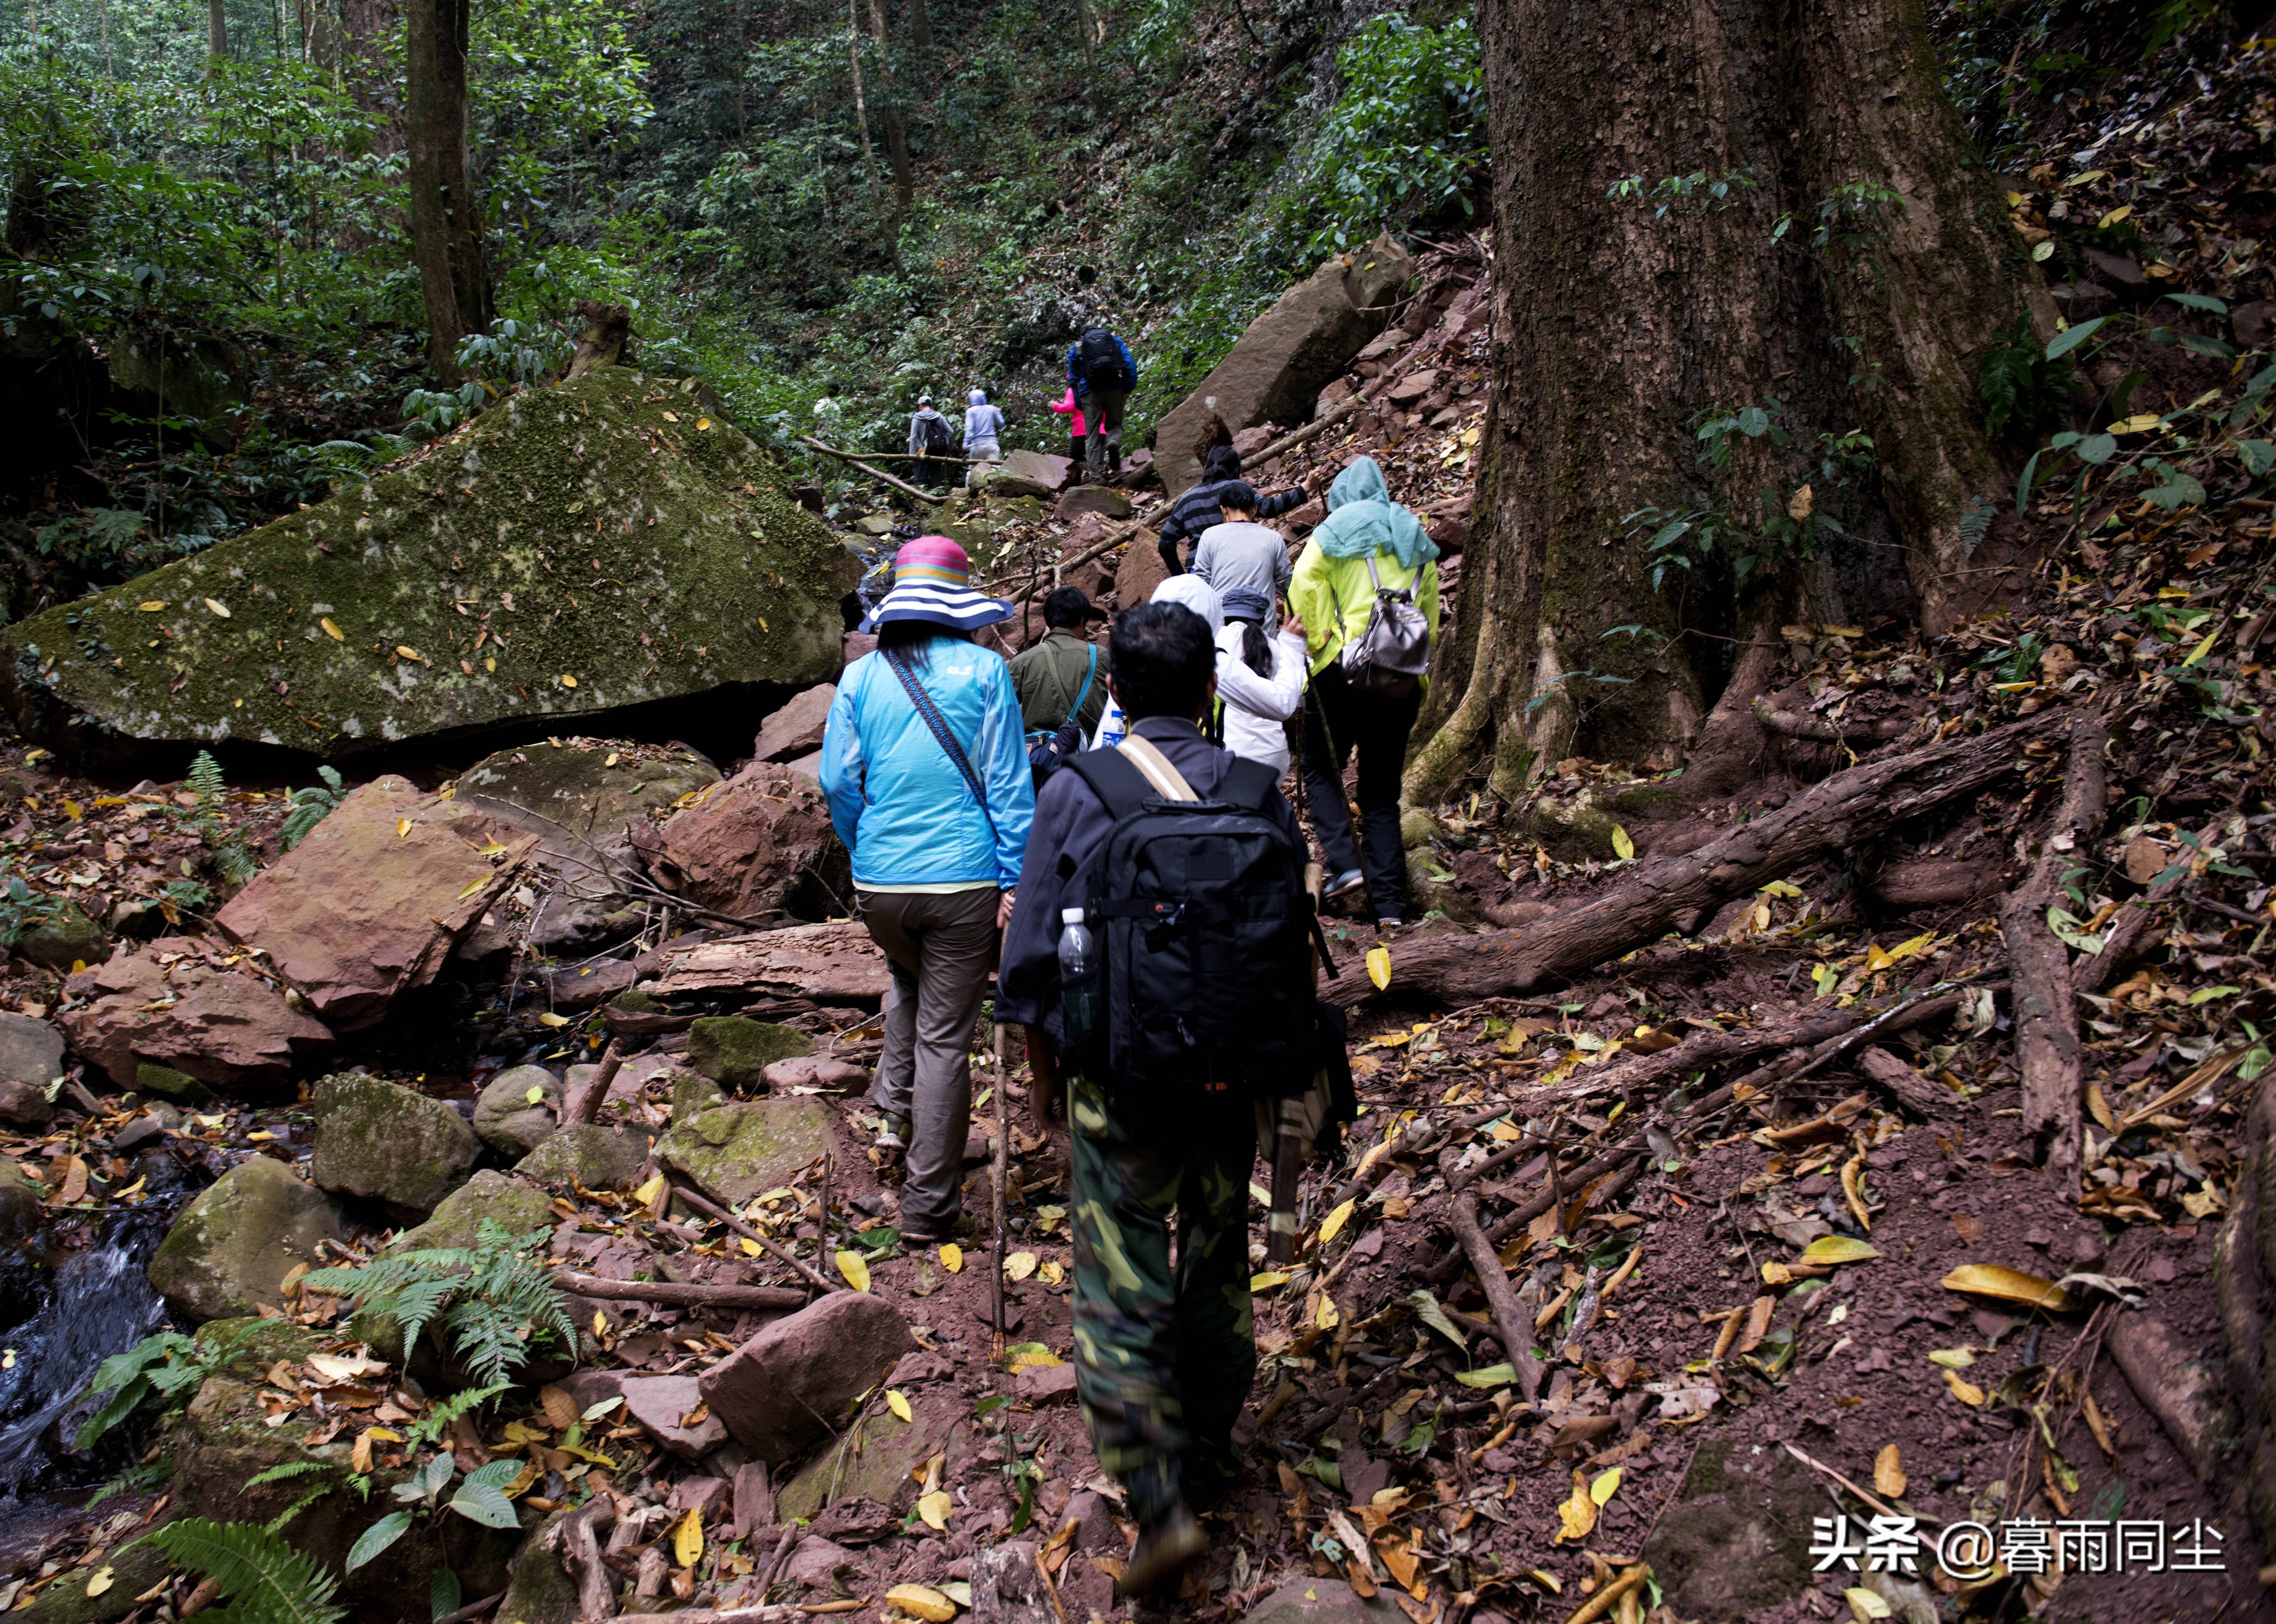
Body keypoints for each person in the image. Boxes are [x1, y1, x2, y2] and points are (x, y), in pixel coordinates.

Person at [999, 600, 1309, 1594]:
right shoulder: (1257, 790)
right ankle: (1209, 1451)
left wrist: (1044, 1085)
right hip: (1233, 1077)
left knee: (1119, 1278)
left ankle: (1159, 1494)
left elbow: (1031, 957)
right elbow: (1285, 947)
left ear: (1117, 694)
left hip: (1120, 1081)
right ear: (1210, 689)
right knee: (1217, 1257)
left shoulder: (1077, 788)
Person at [819, 536, 1035, 1244]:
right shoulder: (985, 669)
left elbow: (836, 780)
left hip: (880, 884)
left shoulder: (859, 676)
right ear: (956, 604)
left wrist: (863, 847)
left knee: (908, 980)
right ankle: (928, 1206)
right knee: (945, 1038)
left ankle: (892, 1116)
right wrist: (1015, 877)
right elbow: (1008, 784)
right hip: (964, 881)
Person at [1288, 456, 1440, 929]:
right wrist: (1417, 677)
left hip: (1343, 671)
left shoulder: (1333, 530)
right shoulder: (1412, 531)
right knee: (1380, 795)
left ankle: (1347, 865)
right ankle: (1391, 908)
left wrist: (1320, 643)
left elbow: (1302, 587)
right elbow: (1429, 611)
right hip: (1400, 679)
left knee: (1319, 768)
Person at [1088, 574, 1222, 750]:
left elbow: (1105, 738)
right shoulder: (1216, 664)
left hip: (1130, 759)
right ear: (1211, 686)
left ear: (1114, 688)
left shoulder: (1133, 659)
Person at [1157, 446, 1312, 576]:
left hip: (1198, 570)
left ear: (1206, 468)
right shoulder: (1235, 490)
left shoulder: (1187, 500)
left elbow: (1165, 542)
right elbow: (1269, 508)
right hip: (1234, 563)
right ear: (1236, 469)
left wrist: (1180, 576)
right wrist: (1305, 488)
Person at [1008, 586, 1111, 778]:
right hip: (1092, 767)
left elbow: (1001, 717)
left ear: (1048, 620)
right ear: (1082, 620)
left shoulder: (1022, 662)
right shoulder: (1104, 658)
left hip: (1038, 767)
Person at [1212, 585, 1307, 775]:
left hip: (1230, 752)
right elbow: (1300, 694)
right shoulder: (1276, 647)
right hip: (1274, 756)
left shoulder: (1214, 642)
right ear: (1263, 618)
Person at [1190, 481, 1295, 623]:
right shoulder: (1274, 538)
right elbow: (1286, 584)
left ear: (1224, 510)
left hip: (1222, 626)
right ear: (1254, 510)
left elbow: (1201, 583)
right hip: (1262, 627)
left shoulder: (1210, 536)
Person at [1065, 325, 1136, 483]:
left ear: (1083, 335)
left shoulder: (1077, 347)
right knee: (1115, 425)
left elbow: (1073, 378)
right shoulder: (1115, 341)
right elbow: (1129, 365)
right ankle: (1113, 442)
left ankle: (1097, 478)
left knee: (1092, 435)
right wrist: (1127, 390)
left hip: (1089, 393)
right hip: (1115, 388)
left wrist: (1078, 401)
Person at [908, 395, 955, 491]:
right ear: (932, 406)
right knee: (936, 480)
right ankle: (937, 497)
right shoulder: (939, 416)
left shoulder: (917, 418)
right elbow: (951, 432)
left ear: (921, 406)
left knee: (921, 481)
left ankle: (921, 498)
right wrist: (948, 449)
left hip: (921, 453)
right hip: (937, 452)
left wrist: (912, 455)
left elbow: (914, 437)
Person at [963, 389, 1005, 489]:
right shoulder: (992, 409)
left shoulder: (971, 411)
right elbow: (1001, 424)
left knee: (971, 471)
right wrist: (998, 412)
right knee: (994, 470)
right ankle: (993, 492)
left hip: (977, 445)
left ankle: (967, 491)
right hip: (992, 445)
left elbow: (970, 428)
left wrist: (965, 443)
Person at [1048, 387, 1087, 468]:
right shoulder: (1098, 387)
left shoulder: (1075, 388)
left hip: (1082, 429)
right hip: (1099, 428)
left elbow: (1069, 407)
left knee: (1073, 460)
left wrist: (1054, 405)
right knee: (1095, 456)